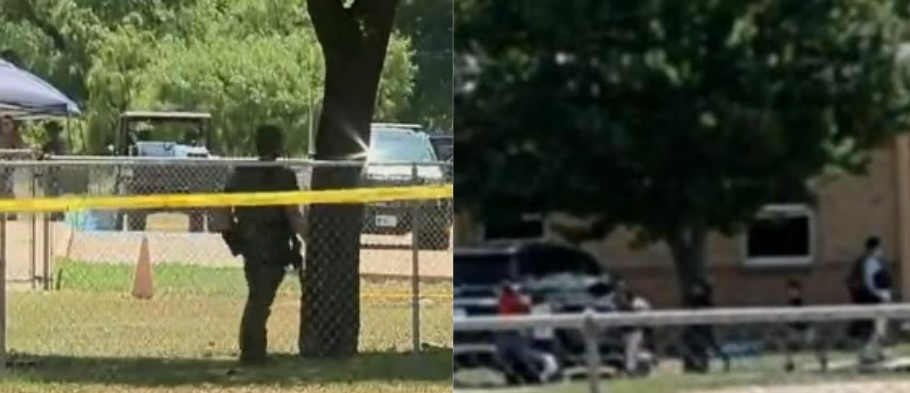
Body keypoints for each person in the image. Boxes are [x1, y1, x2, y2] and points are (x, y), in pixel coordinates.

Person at [210, 124, 307, 366]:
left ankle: (255, 348)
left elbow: (220, 212)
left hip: (250, 243)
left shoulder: (240, 173)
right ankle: (252, 352)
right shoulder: (284, 176)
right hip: (274, 244)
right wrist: (309, 239)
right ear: (278, 145)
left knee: (259, 297)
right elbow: (293, 215)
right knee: (259, 301)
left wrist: (233, 236)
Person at [846, 236, 893, 364]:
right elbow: (870, 283)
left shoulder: (862, 261)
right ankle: (870, 354)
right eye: (879, 248)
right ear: (875, 248)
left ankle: (876, 352)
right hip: (871, 299)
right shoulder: (871, 262)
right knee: (873, 327)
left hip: (864, 298)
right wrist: (882, 295)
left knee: (874, 327)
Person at [682, 280, 729, 373]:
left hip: (704, 329)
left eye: (698, 288)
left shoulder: (706, 301)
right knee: (691, 346)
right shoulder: (694, 299)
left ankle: (722, 362)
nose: (695, 290)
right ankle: (694, 366)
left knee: (709, 347)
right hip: (694, 328)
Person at [783, 279, 828, 372]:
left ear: (798, 291)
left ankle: (822, 360)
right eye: (790, 291)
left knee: (814, 344)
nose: (792, 292)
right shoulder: (790, 302)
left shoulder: (798, 302)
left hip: (805, 328)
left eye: (794, 290)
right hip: (795, 328)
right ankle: (789, 364)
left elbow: (801, 315)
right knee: (790, 345)